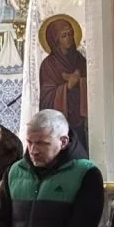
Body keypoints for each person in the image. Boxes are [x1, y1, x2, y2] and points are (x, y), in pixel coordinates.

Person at [39, 18, 88, 154]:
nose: (69, 38)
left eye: (71, 34)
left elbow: (93, 86)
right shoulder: (48, 65)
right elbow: (46, 97)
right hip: (58, 124)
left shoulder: (80, 60)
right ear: (56, 40)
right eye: (64, 35)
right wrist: (67, 87)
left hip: (79, 119)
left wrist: (80, 82)